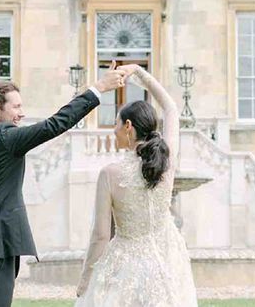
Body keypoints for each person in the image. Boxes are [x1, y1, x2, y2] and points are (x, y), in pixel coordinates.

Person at [0, 62, 129, 307]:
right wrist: (98, 88)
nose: (21, 114)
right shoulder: (5, 137)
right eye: (17, 107)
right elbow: (55, 125)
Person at [75, 64, 197, 307]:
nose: (114, 129)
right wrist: (139, 73)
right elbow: (171, 108)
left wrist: (85, 279)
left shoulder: (110, 174)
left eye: (117, 123)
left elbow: (100, 236)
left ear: (128, 126)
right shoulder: (167, 161)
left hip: (126, 265)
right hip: (168, 261)